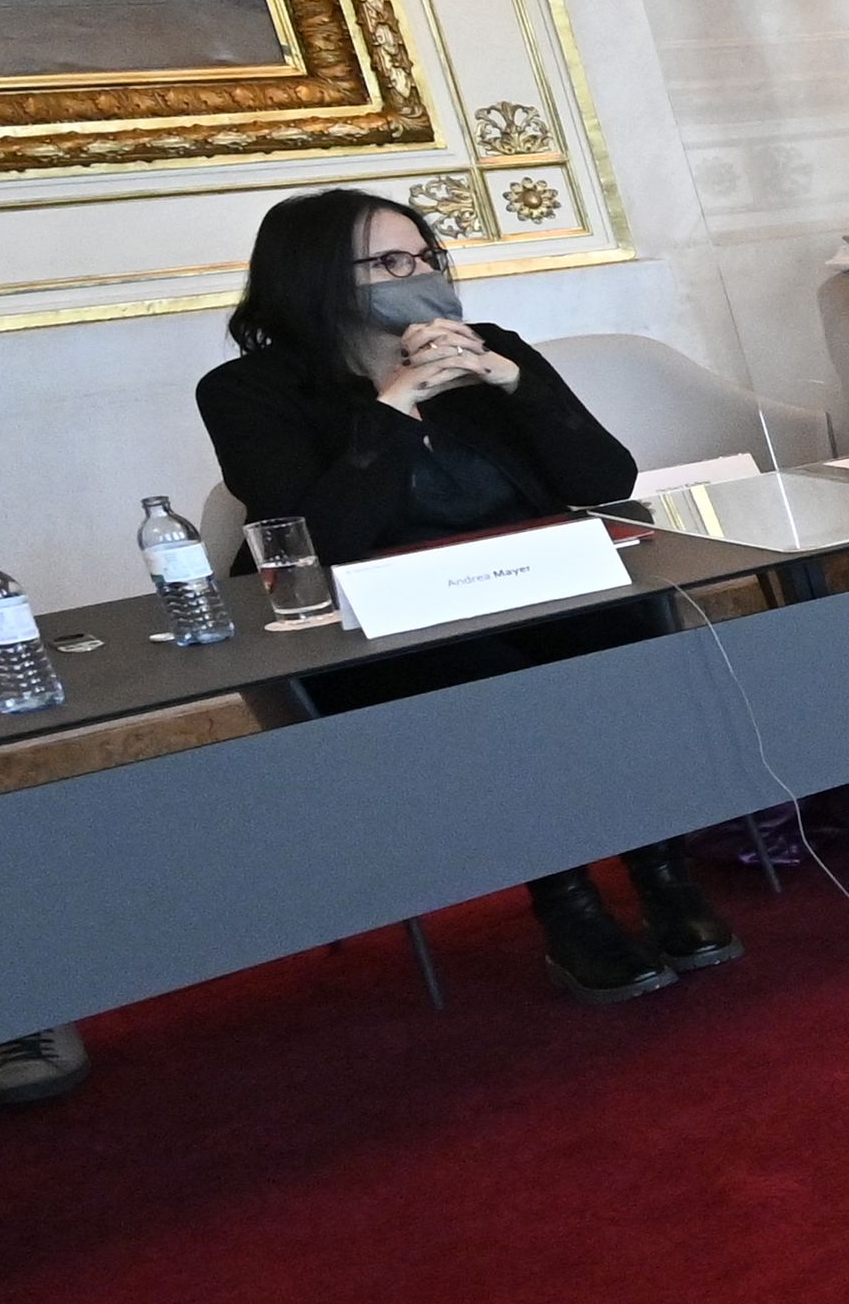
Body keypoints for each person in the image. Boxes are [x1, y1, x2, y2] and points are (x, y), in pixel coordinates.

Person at [197, 188, 738, 1005]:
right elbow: (313, 541)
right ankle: (567, 903)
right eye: (389, 263)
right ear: (315, 278)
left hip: (527, 589)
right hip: (370, 628)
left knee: (630, 643)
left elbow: (606, 482)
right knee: (499, 689)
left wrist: (514, 381)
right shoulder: (248, 392)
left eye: (425, 258)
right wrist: (394, 403)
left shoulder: (492, 352)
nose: (417, 275)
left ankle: (662, 873)